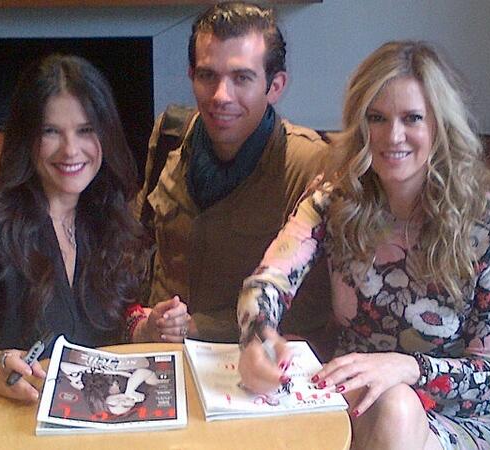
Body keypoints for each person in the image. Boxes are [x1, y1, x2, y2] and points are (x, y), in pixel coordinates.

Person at [237, 41, 490, 449]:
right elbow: (268, 280)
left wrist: (406, 368)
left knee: (397, 406)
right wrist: (258, 336)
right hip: (355, 400)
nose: (393, 136)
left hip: (463, 418)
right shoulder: (333, 202)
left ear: (440, 126)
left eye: (412, 118)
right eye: (377, 118)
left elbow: (487, 373)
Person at [0, 54, 190, 412]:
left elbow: (109, 329)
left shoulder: (109, 221)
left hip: (87, 418)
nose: (70, 150)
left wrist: (148, 330)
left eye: (86, 130)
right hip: (1, 417)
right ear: (27, 138)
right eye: (51, 131)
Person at [137, 1, 343, 350]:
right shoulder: (171, 136)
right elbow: (142, 247)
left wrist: (198, 327)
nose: (221, 96)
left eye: (241, 78)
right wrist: (143, 321)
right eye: (207, 76)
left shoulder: (310, 164)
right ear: (191, 76)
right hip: (158, 352)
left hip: (249, 358)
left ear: (275, 86)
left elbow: (311, 309)